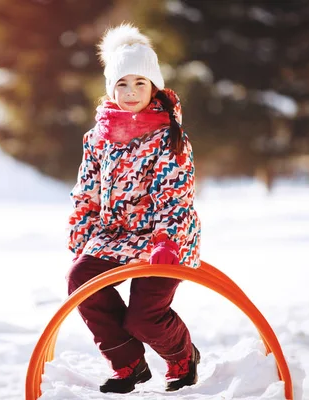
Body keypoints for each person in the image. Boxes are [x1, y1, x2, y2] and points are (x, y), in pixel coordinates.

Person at [66, 24, 202, 394]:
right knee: (81, 280)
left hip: (163, 237)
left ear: (154, 87)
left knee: (143, 317)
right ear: (111, 87)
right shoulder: (98, 136)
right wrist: (81, 231)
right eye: (122, 84)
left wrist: (167, 241)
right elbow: (87, 190)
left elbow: (174, 196)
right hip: (114, 235)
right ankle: (128, 362)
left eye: (140, 83)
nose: (130, 93)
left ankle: (182, 357)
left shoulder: (167, 135)